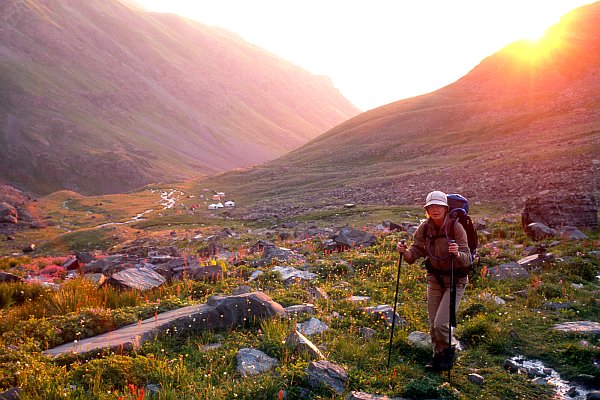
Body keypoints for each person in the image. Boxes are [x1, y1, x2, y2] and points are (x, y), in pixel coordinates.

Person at [396, 190, 472, 372]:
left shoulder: (456, 227)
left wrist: (457, 253)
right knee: (433, 324)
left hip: (455, 280)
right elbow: (414, 254)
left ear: (446, 208)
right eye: (431, 207)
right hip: (435, 279)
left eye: (439, 206)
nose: (435, 210)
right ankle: (438, 357)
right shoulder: (424, 228)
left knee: (441, 324)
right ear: (427, 209)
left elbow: (468, 258)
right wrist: (404, 252)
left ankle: (450, 351)